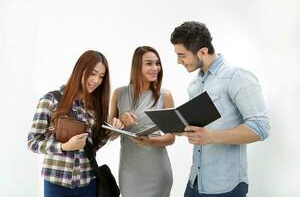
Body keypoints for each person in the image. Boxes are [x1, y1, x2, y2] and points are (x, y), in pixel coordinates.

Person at [170, 21, 270, 197]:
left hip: (225, 186)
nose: (179, 61)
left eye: (182, 55)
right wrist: (181, 127)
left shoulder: (236, 77)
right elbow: (199, 126)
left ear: (202, 52)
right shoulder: (194, 85)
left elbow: (260, 127)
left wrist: (210, 137)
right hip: (195, 181)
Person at [27, 50, 122, 197]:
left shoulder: (94, 107)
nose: (96, 80)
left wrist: (110, 131)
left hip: (88, 183)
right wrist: (64, 146)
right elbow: (33, 142)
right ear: (80, 70)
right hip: (57, 184)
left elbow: (93, 146)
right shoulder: (51, 100)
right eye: (93, 73)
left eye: (101, 76)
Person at [109, 46, 175, 197]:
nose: (155, 68)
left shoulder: (165, 95)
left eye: (157, 63)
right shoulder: (119, 93)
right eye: (149, 63)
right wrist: (121, 122)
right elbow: (110, 136)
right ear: (137, 66)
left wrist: (150, 141)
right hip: (129, 172)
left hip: (158, 171)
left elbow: (171, 138)